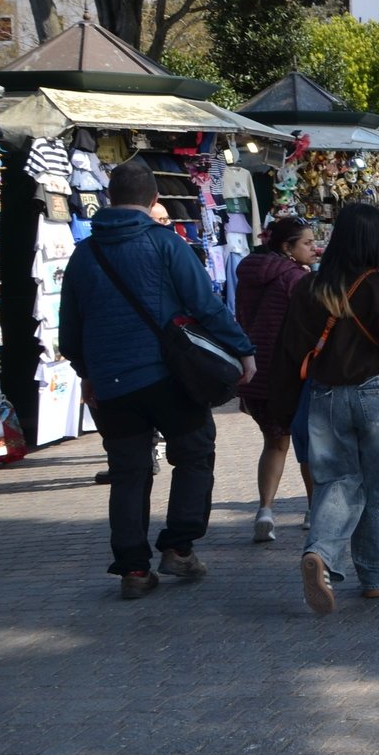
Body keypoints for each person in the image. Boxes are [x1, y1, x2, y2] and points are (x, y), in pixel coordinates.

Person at [61, 158, 256, 599]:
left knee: (128, 471)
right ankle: (179, 547)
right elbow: (205, 305)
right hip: (168, 378)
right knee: (194, 452)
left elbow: (70, 328)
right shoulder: (166, 244)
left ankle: (133, 569)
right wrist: (243, 349)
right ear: (154, 201)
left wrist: (86, 373)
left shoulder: (83, 255)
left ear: (109, 198)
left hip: (112, 384)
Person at [261, 203, 379, 614]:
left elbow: (288, 354)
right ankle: (377, 575)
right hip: (376, 392)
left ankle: (321, 552)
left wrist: (281, 412)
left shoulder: (309, 287)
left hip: (324, 396)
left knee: (337, 482)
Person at [234, 217, 318, 543]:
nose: (315, 248)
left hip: (255, 374)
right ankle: (314, 509)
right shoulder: (297, 279)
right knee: (309, 446)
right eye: (307, 243)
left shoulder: (249, 275)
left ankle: (265, 510)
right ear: (287, 248)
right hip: (289, 376)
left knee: (274, 443)